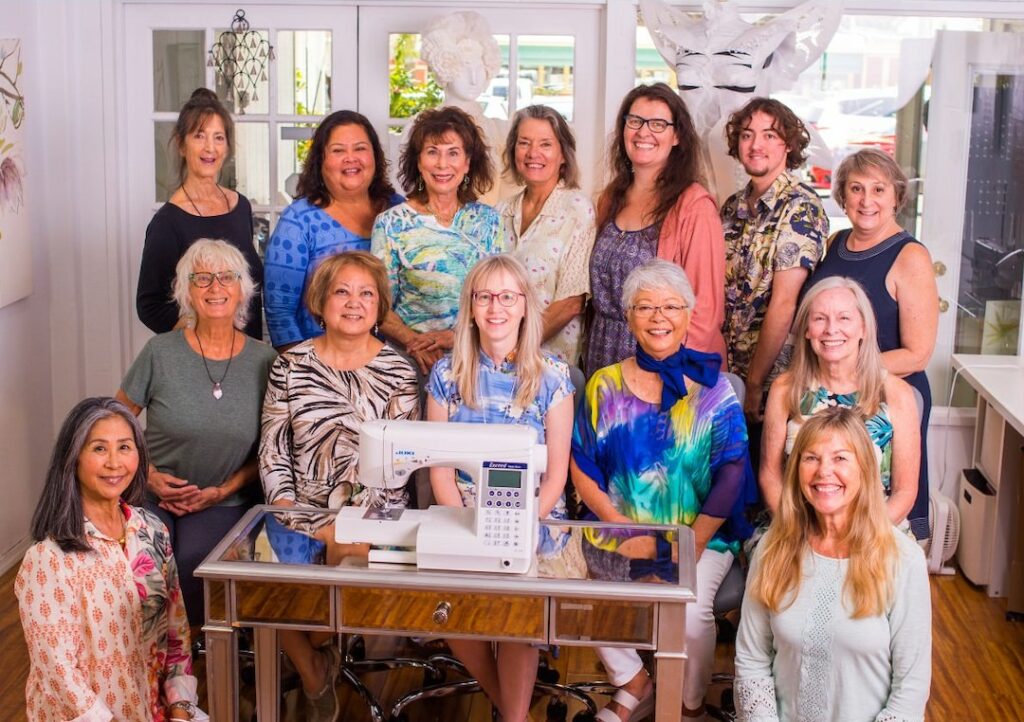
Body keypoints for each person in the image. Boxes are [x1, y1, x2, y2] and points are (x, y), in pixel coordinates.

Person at [572, 259, 748, 722]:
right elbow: (582, 467)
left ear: (689, 316)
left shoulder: (714, 390)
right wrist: (620, 526)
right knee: (580, 592)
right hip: (621, 526)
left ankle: (687, 707)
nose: (659, 317)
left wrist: (688, 544)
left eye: (671, 306)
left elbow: (732, 474)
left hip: (699, 533)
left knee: (690, 619)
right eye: (645, 306)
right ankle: (634, 683)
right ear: (628, 317)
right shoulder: (603, 384)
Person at [260, 250, 419, 720]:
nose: (354, 302)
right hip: (296, 509)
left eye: (366, 293)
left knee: (349, 563)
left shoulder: (399, 371)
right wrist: (298, 515)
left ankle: (320, 649)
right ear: (321, 301)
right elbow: (272, 451)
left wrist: (348, 528)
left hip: (372, 515)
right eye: (342, 292)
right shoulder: (289, 366)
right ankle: (313, 668)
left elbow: (400, 471)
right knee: (269, 579)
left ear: (380, 305)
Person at [426, 254, 574, 722]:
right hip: (463, 508)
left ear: (525, 306)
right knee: (444, 600)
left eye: (507, 297)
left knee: (517, 610)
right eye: (485, 296)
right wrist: (473, 526)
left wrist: (520, 524)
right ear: (470, 307)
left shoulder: (553, 375)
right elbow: (440, 473)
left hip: (532, 509)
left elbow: (556, 475)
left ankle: (511, 717)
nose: (496, 308)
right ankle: (516, 716)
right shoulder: (446, 375)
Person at [117, 239, 277, 627]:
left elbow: (272, 450)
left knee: (197, 564)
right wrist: (148, 474)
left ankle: (192, 665)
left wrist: (224, 489)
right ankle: (145, 664)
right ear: (185, 290)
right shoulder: (160, 352)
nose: (215, 288)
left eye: (226, 277)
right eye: (201, 278)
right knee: (143, 561)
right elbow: (114, 422)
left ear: (243, 289)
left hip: (226, 498)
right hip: (151, 492)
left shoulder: (266, 361)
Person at [735, 407, 931, 721]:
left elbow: (910, 688)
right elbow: (751, 661)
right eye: (811, 457)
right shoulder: (772, 547)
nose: (824, 471)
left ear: (865, 468)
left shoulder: (904, 560)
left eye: (840, 458)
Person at [16, 397, 204, 721]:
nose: (114, 463)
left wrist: (180, 708)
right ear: (73, 458)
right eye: (99, 448)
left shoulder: (153, 531)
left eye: (125, 447)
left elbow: (177, 635)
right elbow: (59, 674)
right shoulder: (47, 560)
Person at [807, 147, 939, 540]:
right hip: (830, 390)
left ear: (897, 197)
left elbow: (917, 354)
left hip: (885, 397)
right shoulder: (837, 241)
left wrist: (847, 371)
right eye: (856, 189)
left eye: (879, 190)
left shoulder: (910, 256)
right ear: (842, 197)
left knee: (871, 522)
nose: (867, 200)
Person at [587, 83, 725, 377]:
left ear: (677, 136)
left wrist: (676, 376)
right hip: (602, 354)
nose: (643, 132)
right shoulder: (611, 198)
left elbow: (705, 310)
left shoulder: (694, 206)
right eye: (635, 121)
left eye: (658, 124)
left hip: (662, 362)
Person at [761, 276, 920, 526]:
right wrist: (801, 533)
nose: (831, 329)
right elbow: (770, 476)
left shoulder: (897, 394)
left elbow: (905, 492)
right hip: (795, 526)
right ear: (806, 329)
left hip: (875, 529)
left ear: (863, 328)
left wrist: (859, 540)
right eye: (820, 318)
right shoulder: (784, 389)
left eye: (844, 318)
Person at [372, 105, 504, 376]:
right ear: (419, 162)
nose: (443, 165)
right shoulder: (391, 223)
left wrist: (454, 337)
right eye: (432, 152)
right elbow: (378, 305)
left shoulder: (489, 222)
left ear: (467, 163)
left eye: (453, 153)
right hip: (409, 357)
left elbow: (500, 299)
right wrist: (413, 342)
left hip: (476, 353)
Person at [721, 97, 828, 428]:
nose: (756, 145)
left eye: (769, 135)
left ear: (788, 146)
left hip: (774, 383)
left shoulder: (800, 208)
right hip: (726, 374)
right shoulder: (732, 207)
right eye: (747, 134)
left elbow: (784, 304)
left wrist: (754, 384)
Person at [263, 110, 403, 350]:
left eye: (360, 148)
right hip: (320, 369)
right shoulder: (298, 220)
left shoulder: (399, 211)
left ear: (375, 157)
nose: (351, 158)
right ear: (321, 161)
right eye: (338, 151)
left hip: (396, 363)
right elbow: (280, 313)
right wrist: (305, 373)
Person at [137, 88, 264, 340]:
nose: (210, 148)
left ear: (227, 146)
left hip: (249, 354)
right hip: (203, 361)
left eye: (218, 137)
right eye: (199, 136)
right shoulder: (168, 222)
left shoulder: (240, 206)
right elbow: (149, 306)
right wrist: (199, 331)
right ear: (182, 145)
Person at [497, 104, 595, 367]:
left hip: (549, 364)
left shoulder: (577, 210)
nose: (533, 153)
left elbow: (571, 303)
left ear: (563, 154)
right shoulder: (501, 211)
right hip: (495, 357)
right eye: (524, 143)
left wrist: (516, 348)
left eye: (545, 144)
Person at [418, 10, 510, 205]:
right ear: (446, 66)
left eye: (479, 68)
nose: (474, 78)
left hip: (486, 227)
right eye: (465, 68)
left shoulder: (495, 128)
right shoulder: (421, 127)